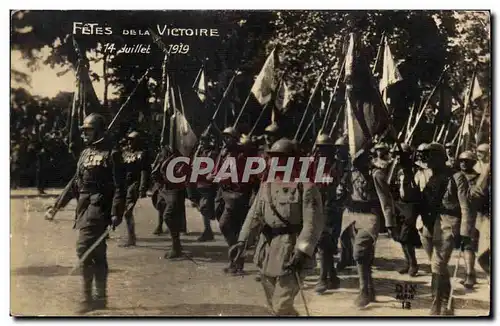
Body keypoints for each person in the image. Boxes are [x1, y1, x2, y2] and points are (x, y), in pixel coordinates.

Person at [229, 138, 324, 316]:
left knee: (281, 306)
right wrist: (242, 242)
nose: (275, 161)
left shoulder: (307, 188)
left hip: (292, 251)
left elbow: (313, 224)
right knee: (275, 306)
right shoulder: (267, 186)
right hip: (267, 251)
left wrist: (302, 251)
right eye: (273, 157)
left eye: (281, 158)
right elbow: (254, 216)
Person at [48, 113, 126, 313]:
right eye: (83, 130)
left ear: (99, 131)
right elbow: (75, 183)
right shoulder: (84, 154)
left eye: (88, 130)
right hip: (84, 207)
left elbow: (119, 186)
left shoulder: (112, 153)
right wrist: (58, 206)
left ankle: (88, 298)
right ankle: (99, 298)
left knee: (84, 248)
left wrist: (117, 212)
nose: (83, 134)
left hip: (100, 207)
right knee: (97, 253)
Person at [418, 143, 473, 315]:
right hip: (430, 223)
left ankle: (436, 304)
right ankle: (446, 302)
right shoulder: (430, 176)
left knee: (437, 263)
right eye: (427, 156)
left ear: (441, 158)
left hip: (450, 222)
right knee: (438, 266)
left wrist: (465, 233)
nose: (428, 160)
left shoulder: (457, 177)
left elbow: (465, 207)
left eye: (432, 156)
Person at [341, 144, 395, 308]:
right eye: (356, 160)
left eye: (362, 160)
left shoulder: (376, 174)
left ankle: (364, 290)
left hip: (369, 216)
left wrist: (389, 223)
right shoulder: (350, 174)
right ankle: (369, 288)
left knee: (360, 252)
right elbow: (344, 193)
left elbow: (386, 200)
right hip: (351, 216)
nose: (358, 163)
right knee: (364, 256)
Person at [210, 126, 252, 275]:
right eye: (225, 137)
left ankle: (238, 259)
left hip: (236, 194)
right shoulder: (223, 152)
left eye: (229, 137)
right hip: (222, 192)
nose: (226, 140)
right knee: (228, 226)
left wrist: (218, 177)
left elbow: (237, 175)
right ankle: (234, 261)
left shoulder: (240, 155)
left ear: (235, 140)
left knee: (226, 225)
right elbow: (217, 169)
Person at [312, 134, 342, 293]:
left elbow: (339, 188)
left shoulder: (337, 166)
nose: (320, 152)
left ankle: (323, 279)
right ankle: (333, 276)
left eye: (324, 149)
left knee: (324, 242)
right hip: (317, 207)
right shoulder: (314, 165)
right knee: (325, 244)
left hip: (332, 209)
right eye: (319, 148)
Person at [151, 145, 189, 259]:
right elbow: (155, 170)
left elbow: (181, 174)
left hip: (174, 189)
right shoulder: (163, 153)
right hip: (163, 188)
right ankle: (176, 244)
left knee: (169, 216)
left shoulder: (181, 156)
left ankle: (176, 246)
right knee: (162, 209)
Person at [392, 144, 421, 277]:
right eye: (397, 154)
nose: (398, 157)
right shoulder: (397, 169)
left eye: (401, 154)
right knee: (400, 237)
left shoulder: (415, 170)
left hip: (411, 205)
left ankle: (413, 263)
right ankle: (408, 262)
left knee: (406, 236)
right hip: (400, 205)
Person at [119, 131, 150, 247]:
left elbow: (144, 171)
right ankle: (131, 236)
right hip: (124, 184)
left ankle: (131, 238)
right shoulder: (124, 152)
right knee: (122, 210)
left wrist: (142, 187)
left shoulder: (142, 154)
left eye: (132, 140)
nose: (129, 142)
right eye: (128, 140)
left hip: (135, 184)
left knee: (128, 212)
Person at [457, 151, 480, 289]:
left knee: (468, 244)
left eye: (466, 161)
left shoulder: (478, 178)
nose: (463, 163)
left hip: (472, 214)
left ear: (473, 162)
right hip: (456, 213)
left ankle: (470, 274)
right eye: (461, 161)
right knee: (463, 244)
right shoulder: (455, 176)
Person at [192, 132, 218, 242]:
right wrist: (198, 151)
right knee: (203, 208)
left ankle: (208, 231)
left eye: (204, 140)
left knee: (205, 207)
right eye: (201, 140)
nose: (202, 142)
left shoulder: (213, 152)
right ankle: (208, 231)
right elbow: (194, 164)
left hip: (208, 184)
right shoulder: (201, 152)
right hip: (200, 183)